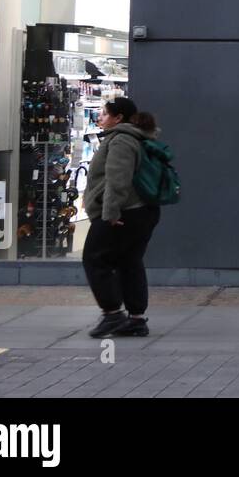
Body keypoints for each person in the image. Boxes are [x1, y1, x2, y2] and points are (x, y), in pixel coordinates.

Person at [81, 99, 162, 339]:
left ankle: (112, 313)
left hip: (124, 212)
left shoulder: (122, 140)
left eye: (105, 114)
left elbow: (118, 180)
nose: (101, 118)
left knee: (95, 258)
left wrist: (110, 214)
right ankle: (136, 319)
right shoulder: (139, 137)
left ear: (118, 118)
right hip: (142, 211)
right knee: (129, 261)